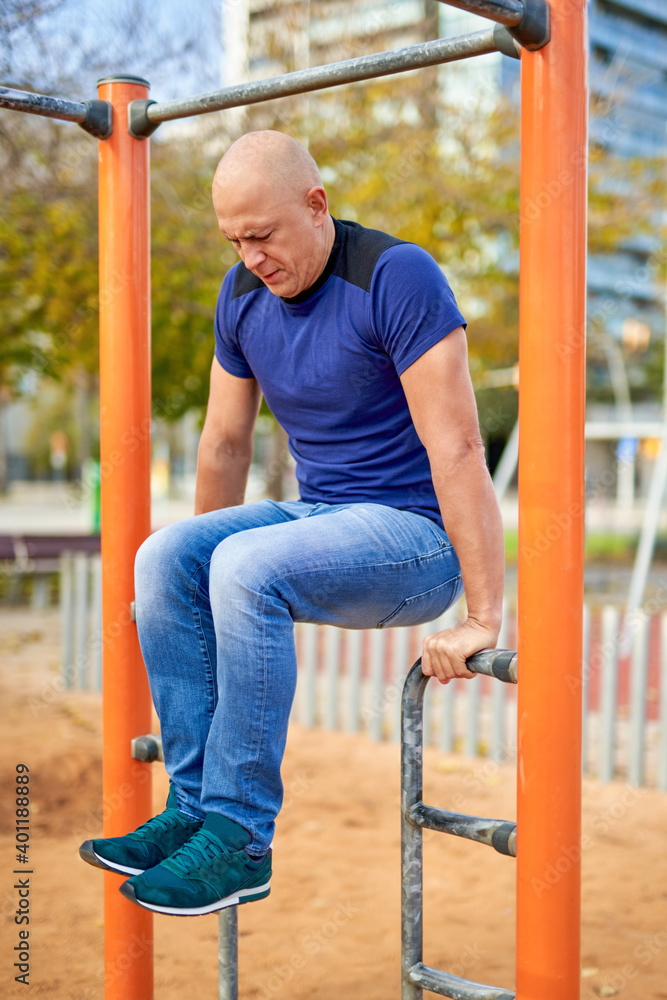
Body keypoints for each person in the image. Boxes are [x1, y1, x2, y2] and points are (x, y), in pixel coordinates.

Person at [79, 130, 504, 917]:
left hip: (414, 539)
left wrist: (481, 616)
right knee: (165, 555)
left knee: (246, 565)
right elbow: (223, 440)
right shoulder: (239, 295)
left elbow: (458, 444)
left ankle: (240, 839)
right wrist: (196, 580)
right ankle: (195, 805)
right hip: (319, 516)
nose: (251, 257)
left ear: (316, 206)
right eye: (235, 240)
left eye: (263, 235)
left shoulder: (393, 275)